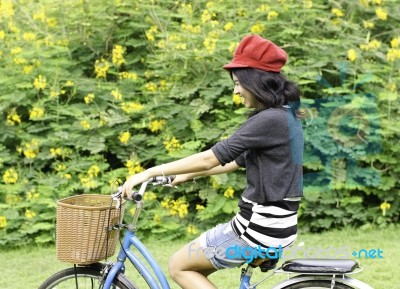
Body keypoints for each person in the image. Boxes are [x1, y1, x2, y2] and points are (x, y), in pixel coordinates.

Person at [122, 34, 304, 289]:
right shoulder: (285, 116)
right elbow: (237, 160)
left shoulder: (269, 120)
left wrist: (147, 173)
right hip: (277, 226)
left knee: (179, 266)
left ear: (256, 80)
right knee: (192, 266)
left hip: (256, 229)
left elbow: (211, 158)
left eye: (239, 83)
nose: (236, 91)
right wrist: (188, 175)